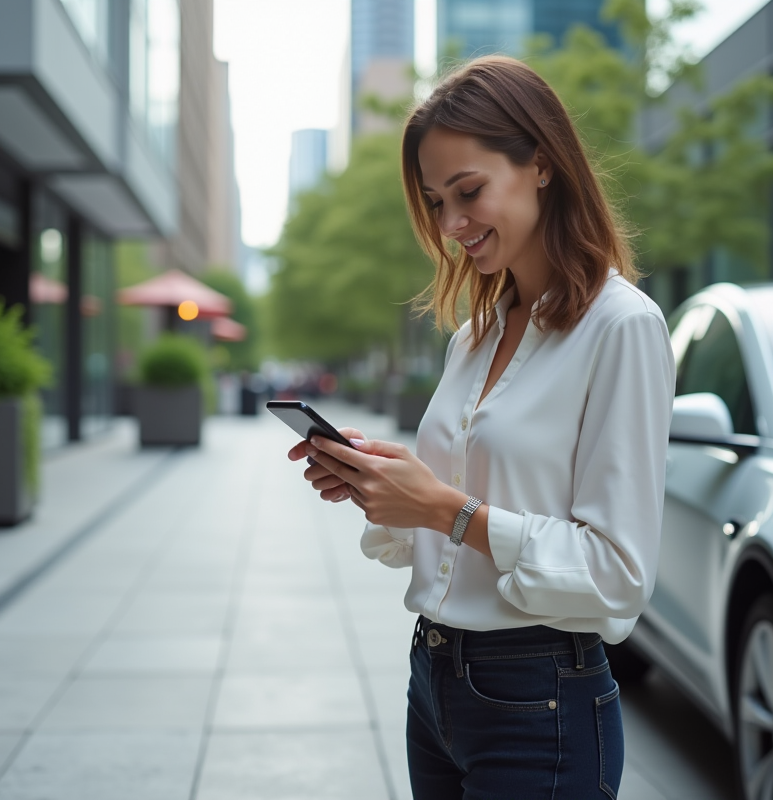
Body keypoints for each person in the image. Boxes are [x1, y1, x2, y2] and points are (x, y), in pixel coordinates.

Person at [287, 55, 676, 800]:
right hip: (433, 683)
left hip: (540, 699)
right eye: (436, 202)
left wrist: (442, 509)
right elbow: (453, 514)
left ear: (541, 164)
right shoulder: (476, 333)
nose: (451, 225)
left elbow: (616, 576)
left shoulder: (621, 328)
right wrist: (384, 484)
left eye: (468, 192)